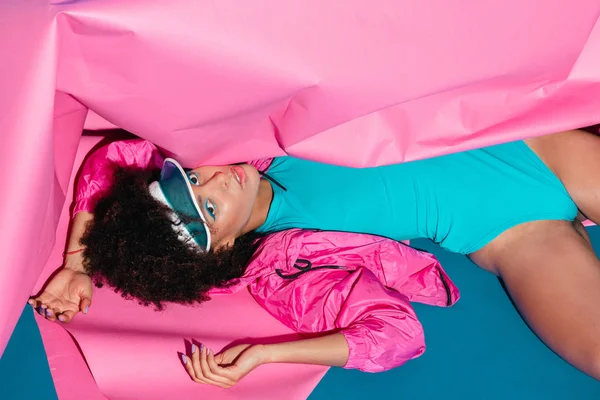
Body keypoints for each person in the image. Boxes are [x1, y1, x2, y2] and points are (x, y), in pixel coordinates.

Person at [30, 128, 600, 388]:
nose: (216, 180)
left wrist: (77, 262)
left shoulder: (247, 136)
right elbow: (393, 334)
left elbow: (115, 156)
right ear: (221, 245)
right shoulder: (284, 265)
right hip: (509, 237)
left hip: (536, 149)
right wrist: (266, 356)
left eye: (189, 177)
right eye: (208, 205)